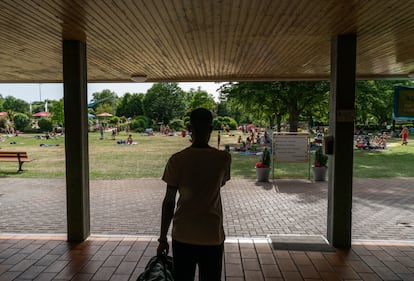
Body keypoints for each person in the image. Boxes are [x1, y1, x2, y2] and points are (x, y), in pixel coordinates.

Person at [157, 108, 232, 281]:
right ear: (211, 129)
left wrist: (162, 238)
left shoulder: (177, 160)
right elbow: (220, 183)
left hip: (183, 234)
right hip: (211, 234)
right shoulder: (223, 158)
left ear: (190, 128)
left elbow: (169, 202)